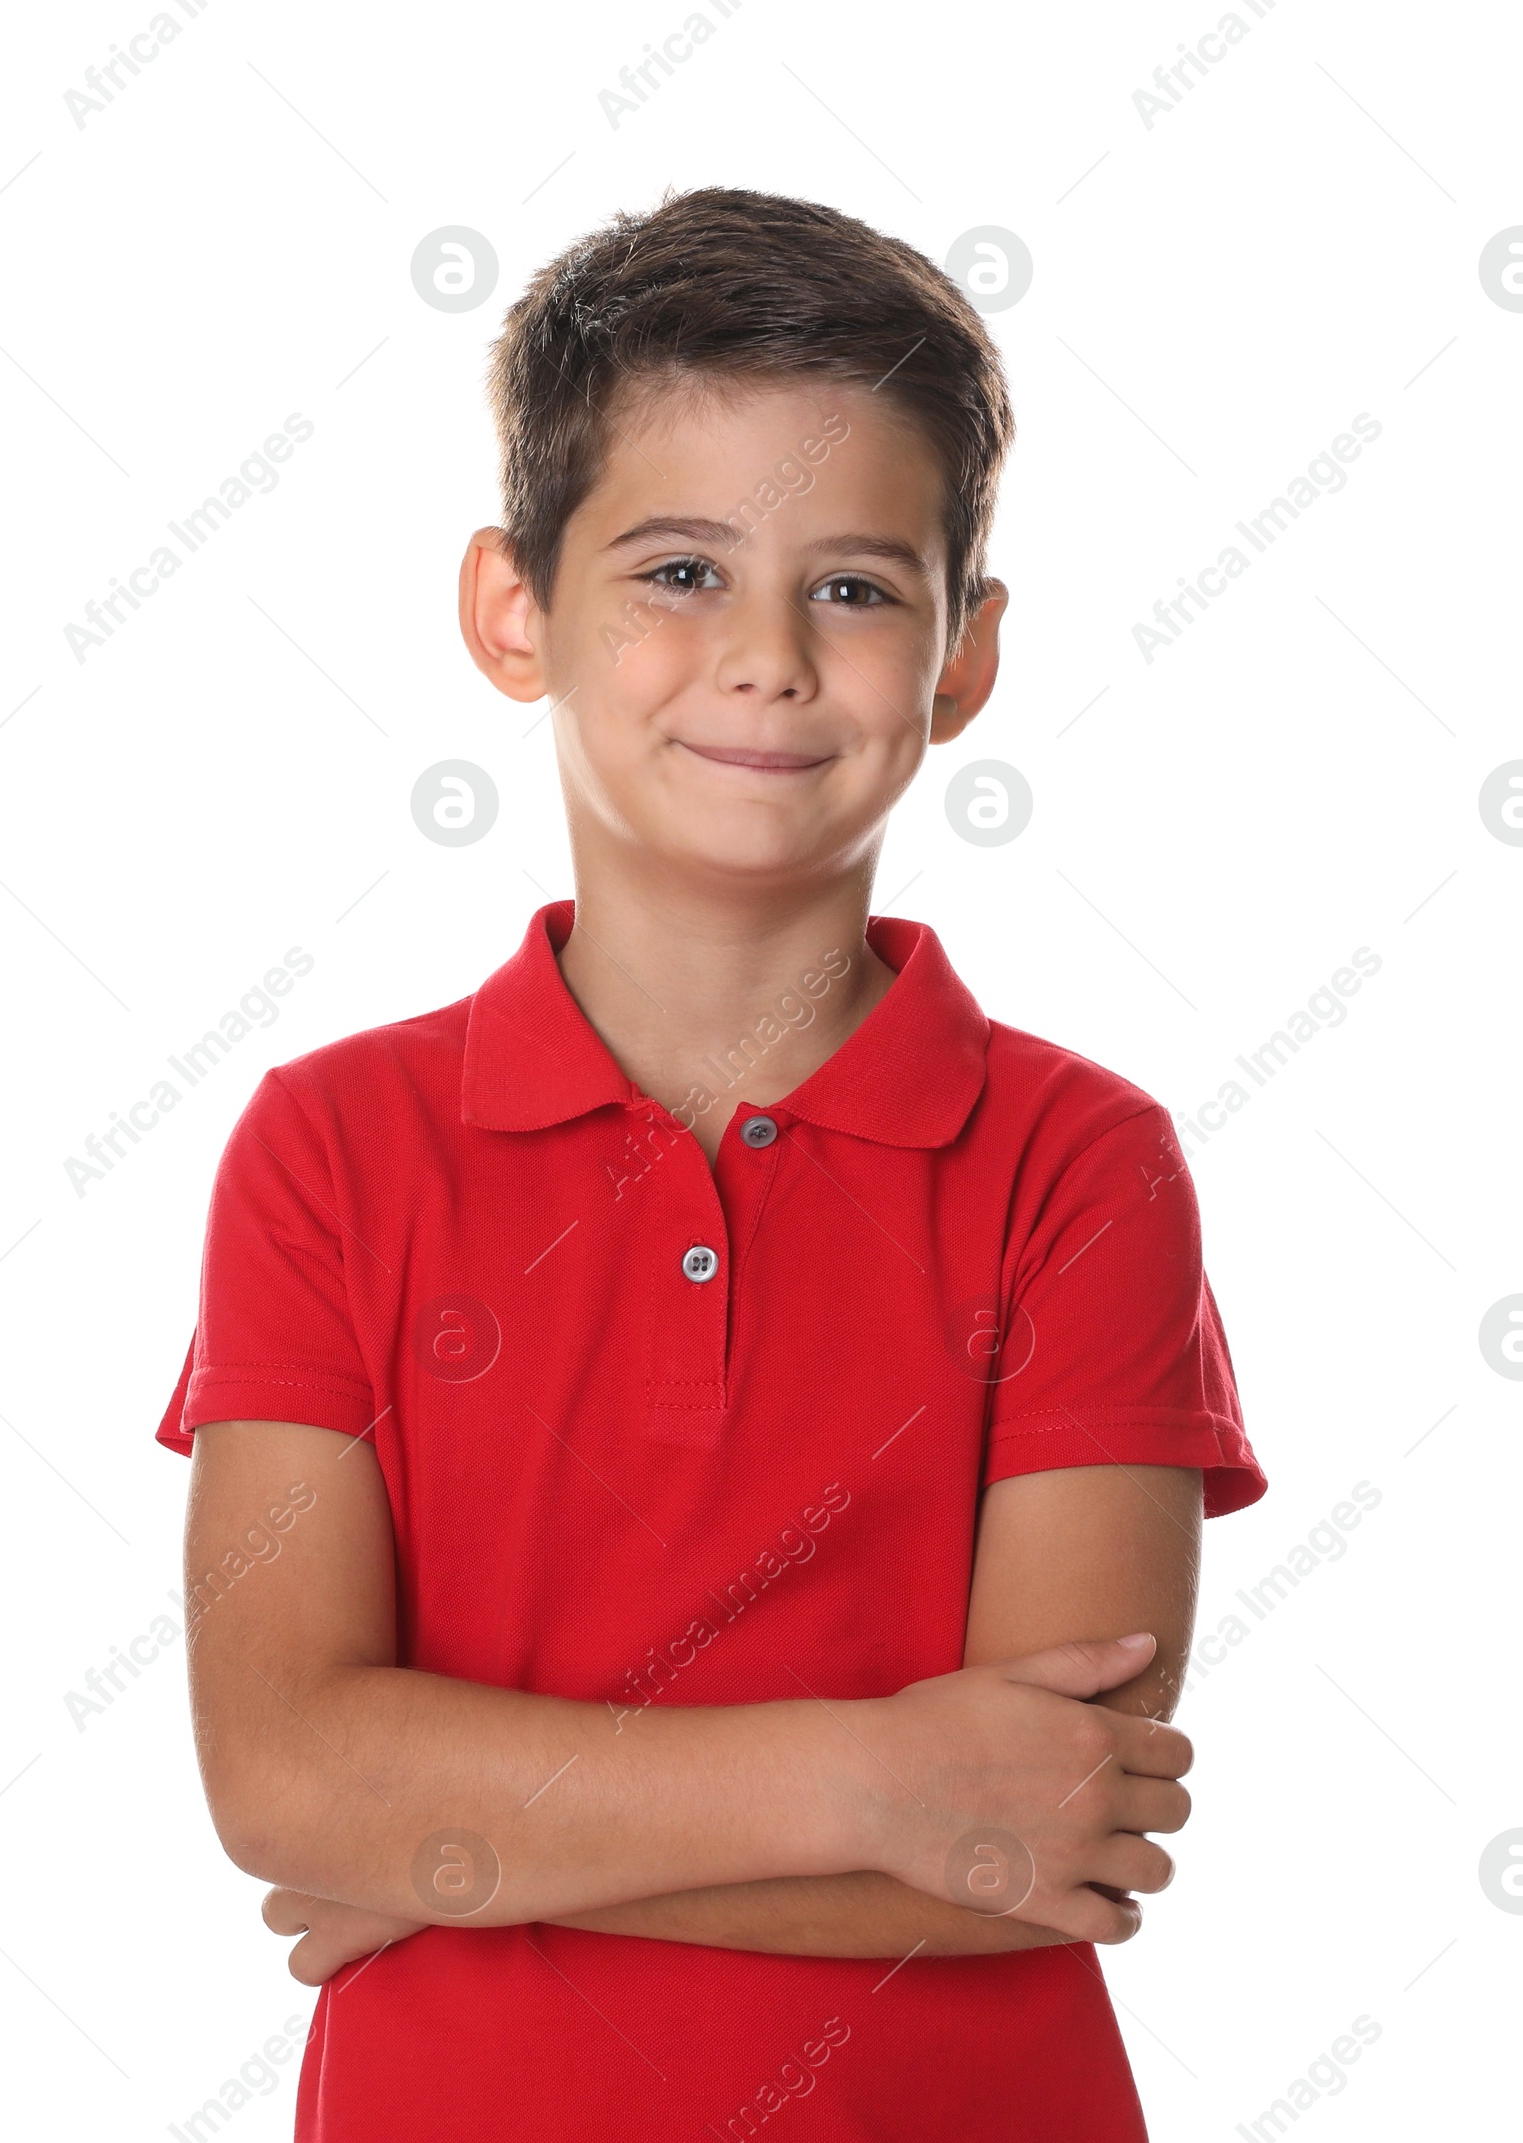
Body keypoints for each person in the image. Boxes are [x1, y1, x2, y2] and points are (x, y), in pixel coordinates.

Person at [157, 186, 1266, 2141]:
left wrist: (456, 1847)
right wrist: (870, 1790)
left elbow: (1050, 1833)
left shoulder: (1080, 1164)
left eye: (852, 587)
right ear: (515, 611)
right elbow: (286, 1773)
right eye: (677, 569)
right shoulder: (330, 1148)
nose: (764, 655)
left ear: (961, 657)